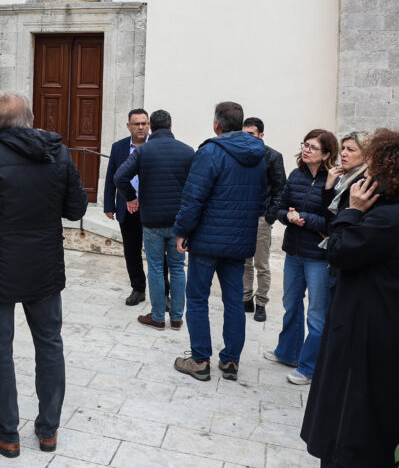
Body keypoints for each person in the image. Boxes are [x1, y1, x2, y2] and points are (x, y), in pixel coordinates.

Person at [302, 129, 399, 468]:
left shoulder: (389, 220)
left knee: (352, 440)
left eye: (372, 168)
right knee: (389, 437)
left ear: (387, 172)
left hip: (369, 349)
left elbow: (338, 251)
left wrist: (353, 210)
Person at [0, 93, 87, 458]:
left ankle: (7, 432)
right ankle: (48, 431)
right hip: (43, 265)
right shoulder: (58, 154)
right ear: (31, 120)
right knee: (50, 343)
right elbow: (76, 208)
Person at [172, 101, 265, 383]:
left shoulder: (210, 151)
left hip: (207, 240)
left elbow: (193, 198)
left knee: (197, 298)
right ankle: (231, 360)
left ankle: (200, 360)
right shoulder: (258, 155)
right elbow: (261, 197)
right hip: (238, 241)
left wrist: (182, 231)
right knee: (234, 300)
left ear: (217, 124)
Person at [264, 129, 339, 385]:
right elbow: (280, 207)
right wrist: (288, 216)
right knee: (291, 303)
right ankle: (288, 353)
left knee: (316, 314)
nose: (306, 150)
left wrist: (303, 219)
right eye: (305, 145)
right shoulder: (297, 175)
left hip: (318, 255)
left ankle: (309, 368)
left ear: (326, 154)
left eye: (313, 147)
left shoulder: (335, 180)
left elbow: (333, 223)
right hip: (294, 250)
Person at [114, 109, 193, 331]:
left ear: (152, 127)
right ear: (170, 126)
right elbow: (196, 186)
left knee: (156, 268)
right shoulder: (187, 151)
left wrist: (132, 197)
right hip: (178, 221)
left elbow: (120, 177)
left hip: (152, 221)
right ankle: (176, 318)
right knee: (177, 268)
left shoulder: (143, 151)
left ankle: (158, 317)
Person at [241, 117, 286, 323]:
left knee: (261, 264)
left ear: (261, 135)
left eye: (251, 134)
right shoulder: (241, 155)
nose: (247, 137)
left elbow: (280, 189)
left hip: (261, 218)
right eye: (244, 134)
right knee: (244, 262)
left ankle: (261, 302)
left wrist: (269, 217)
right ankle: (246, 298)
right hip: (243, 217)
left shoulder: (273, 156)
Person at [103, 109, 150, 306]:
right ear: (128, 126)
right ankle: (138, 289)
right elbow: (111, 178)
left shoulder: (155, 146)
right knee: (131, 251)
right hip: (127, 208)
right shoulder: (118, 147)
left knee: (158, 254)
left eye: (144, 123)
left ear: (149, 125)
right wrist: (109, 205)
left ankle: (164, 293)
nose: (141, 127)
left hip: (151, 209)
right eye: (136, 124)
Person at [322, 131, 368, 218]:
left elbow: (334, 219)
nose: (343, 153)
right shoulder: (345, 177)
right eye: (343, 148)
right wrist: (328, 186)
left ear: (365, 155)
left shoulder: (361, 181)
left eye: (350, 150)